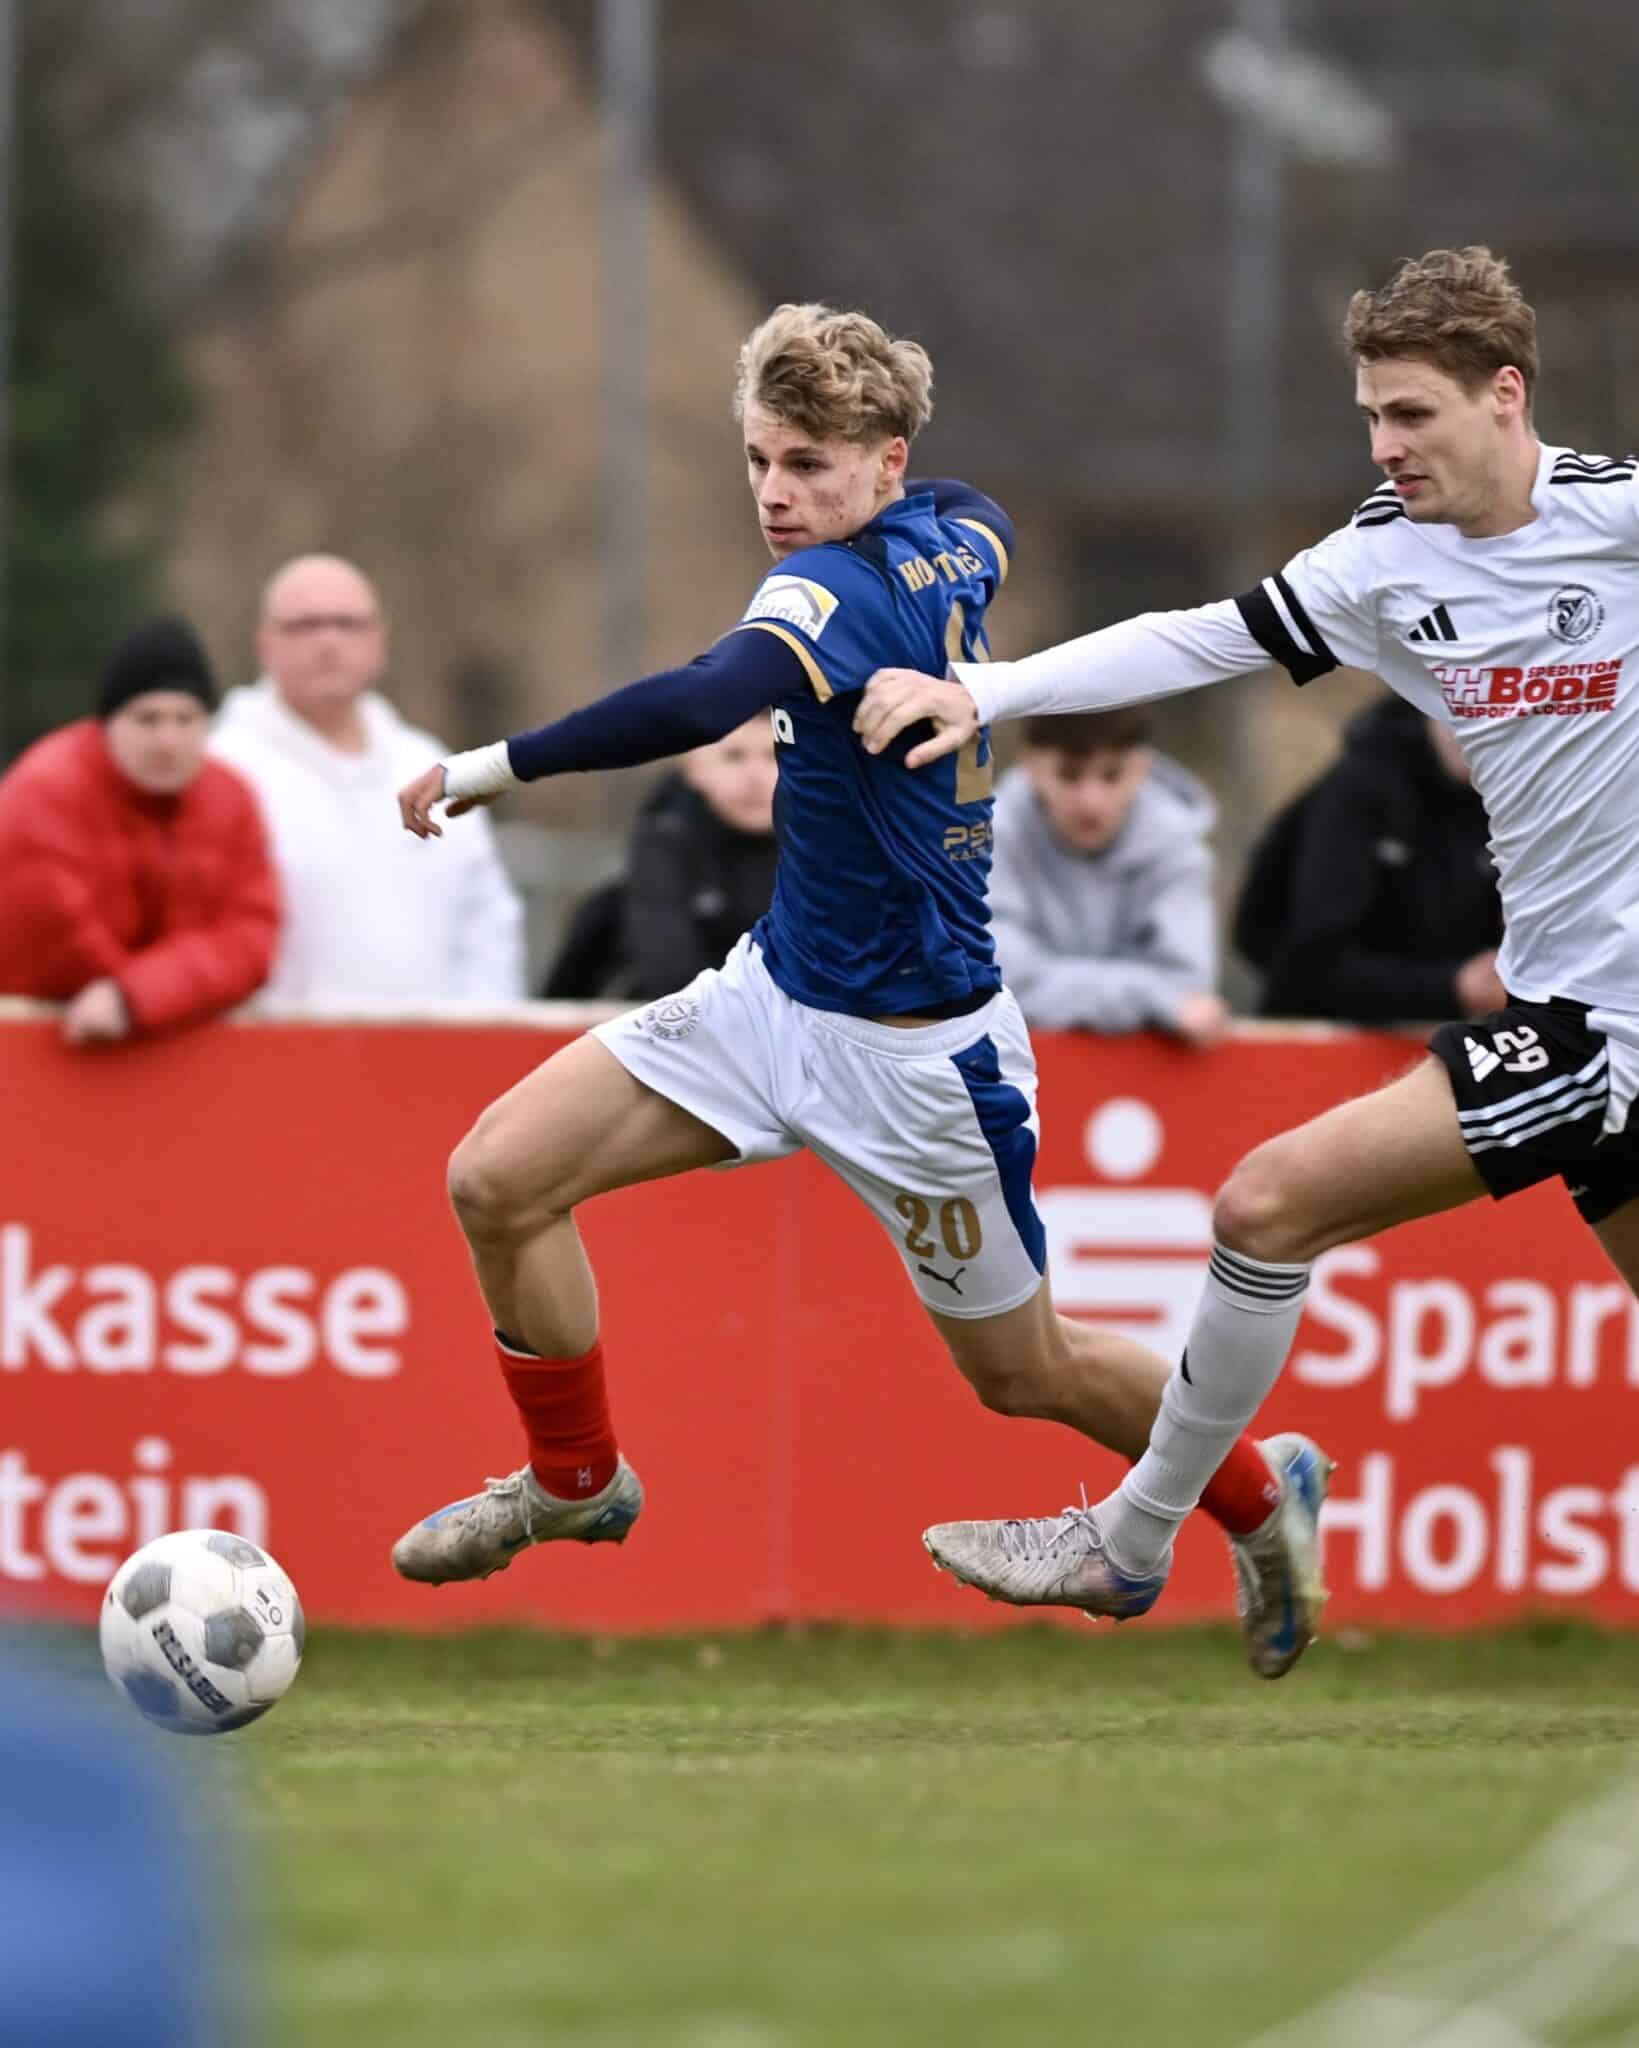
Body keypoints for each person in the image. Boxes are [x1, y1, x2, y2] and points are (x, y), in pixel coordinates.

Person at [390, 302, 1329, 1679]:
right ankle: (574, 1481)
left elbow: (702, 698)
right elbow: (980, 510)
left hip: (919, 1066)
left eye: (811, 465)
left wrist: (492, 768)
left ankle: (1260, 1500)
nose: (778, 494)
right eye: (761, 460)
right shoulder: (953, 528)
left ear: (881, 461)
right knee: (496, 1178)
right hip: (769, 999)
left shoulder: (826, 592)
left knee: (1025, 1376)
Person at [855, 244, 1639, 1626]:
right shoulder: (1380, 564)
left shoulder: (1619, 522)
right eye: (1368, 417)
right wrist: (990, 691)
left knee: (1263, 1206)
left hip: (1600, 1023)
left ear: (1503, 396)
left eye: (1411, 414)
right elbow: (1192, 639)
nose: (1384, 445)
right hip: (1573, 999)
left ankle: (1132, 1535)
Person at [210, 553, 525, 1006]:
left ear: (379, 639)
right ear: (264, 643)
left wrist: (483, 1034)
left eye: (348, 624)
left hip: (429, 1056)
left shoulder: (428, 764)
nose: (328, 642)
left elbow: (487, 922)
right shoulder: (223, 768)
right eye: (305, 625)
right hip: (273, 1054)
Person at [0, 617, 279, 1044]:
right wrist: (148, 997)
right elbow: (51, 937)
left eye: (185, 719)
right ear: (107, 723)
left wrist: (136, 996)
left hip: (166, 1046)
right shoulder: (45, 792)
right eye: (147, 719)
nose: (168, 739)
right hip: (41, 1050)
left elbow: (252, 936)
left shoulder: (233, 799)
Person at [1235, 694, 1503, 1023]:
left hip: (1452, 1038)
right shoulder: (1358, 791)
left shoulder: (1513, 802)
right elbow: (1307, 959)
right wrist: (1453, 985)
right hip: (1324, 1035)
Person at [990, 707, 1227, 1044]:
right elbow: (997, 980)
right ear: (1031, 767)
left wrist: (1052, 990)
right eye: (1069, 776)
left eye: (1111, 775)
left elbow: (1189, 987)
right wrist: (1152, 998)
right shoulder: (986, 840)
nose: (1091, 801)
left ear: (1141, 768)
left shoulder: (1180, 849)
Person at [543, 715, 779, 1000]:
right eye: (733, 757)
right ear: (694, 769)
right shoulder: (663, 845)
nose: (755, 775)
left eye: (775, 756)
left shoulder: (831, 846)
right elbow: (671, 979)